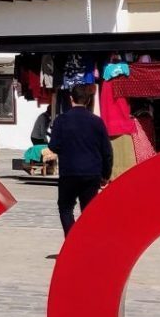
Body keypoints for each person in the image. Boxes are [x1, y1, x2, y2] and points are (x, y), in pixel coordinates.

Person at [48, 85, 112, 238]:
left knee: (65, 208)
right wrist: (106, 174)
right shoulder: (97, 122)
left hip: (69, 172)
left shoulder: (61, 120)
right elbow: (107, 151)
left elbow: (54, 146)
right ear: (89, 100)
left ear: (71, 99)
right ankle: (86, 244)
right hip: (92, 173)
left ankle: (72, 241)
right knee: (89, 211)